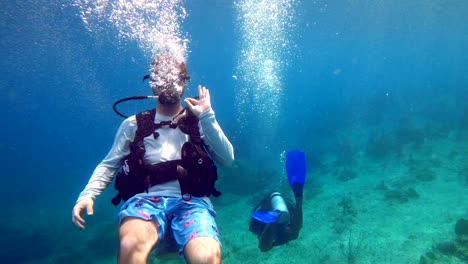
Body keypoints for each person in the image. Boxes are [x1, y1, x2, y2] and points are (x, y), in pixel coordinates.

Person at [72, 54, 234, 264]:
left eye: (174, 79)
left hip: (193, 202)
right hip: (145, 201)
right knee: (130, 245)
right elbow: (110, 163)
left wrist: (207, 115)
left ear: (184, 83)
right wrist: (88, 195)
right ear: (153, 84)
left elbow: (228, 159)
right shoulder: (134, 124)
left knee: (207, 258)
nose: (168, 85)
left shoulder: (200, 120)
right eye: (162, 79)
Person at [249, 150, 306, 252]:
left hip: (270, 212)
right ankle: (298, 201)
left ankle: (297, 202)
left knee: (264, 245)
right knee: (294, 233)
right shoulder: (286, 235)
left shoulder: (280, 236)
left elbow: (263, 245)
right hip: (277, 212)